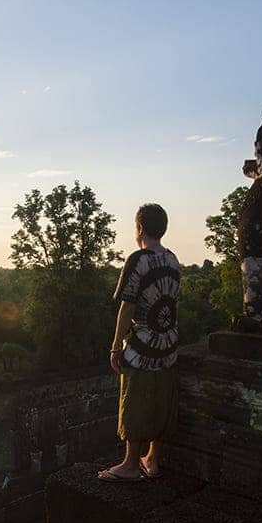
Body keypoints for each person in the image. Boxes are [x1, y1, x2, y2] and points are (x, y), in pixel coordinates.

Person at [98, 203, 181, 481]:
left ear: (140, 228)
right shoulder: (173, 259)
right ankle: (153, 459)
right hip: (168, 345)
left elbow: (127, 308)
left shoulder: (139, 259)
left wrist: (115, 346)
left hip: (143, 345)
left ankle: (131, 464)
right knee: (162, 401)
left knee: (133, 401)